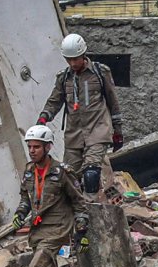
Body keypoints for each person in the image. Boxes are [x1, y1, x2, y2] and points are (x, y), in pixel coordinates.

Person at [37, 33, 123, 196]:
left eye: (76, 59)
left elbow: (113, 102)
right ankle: (76, 215)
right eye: (69, 59)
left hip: (97, 130)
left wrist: (118, 131)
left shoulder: (100, 72)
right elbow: (55, 101)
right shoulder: (64, 78)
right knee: (69, 179)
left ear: (83, 55)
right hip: (74, 135)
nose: (72, 63)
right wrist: (43, 118)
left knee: (91, 174)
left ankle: (93, 210)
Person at [12, 124, 88, 267]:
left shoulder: (62, 171)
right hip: (38, 229)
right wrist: (20, 213)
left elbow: (78, 201)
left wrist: (82, 231)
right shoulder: (29, 171)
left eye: (37, 147)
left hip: (58, 228)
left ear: (48, 147)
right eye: (30, 146)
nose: (32, 151)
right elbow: (26, 197)